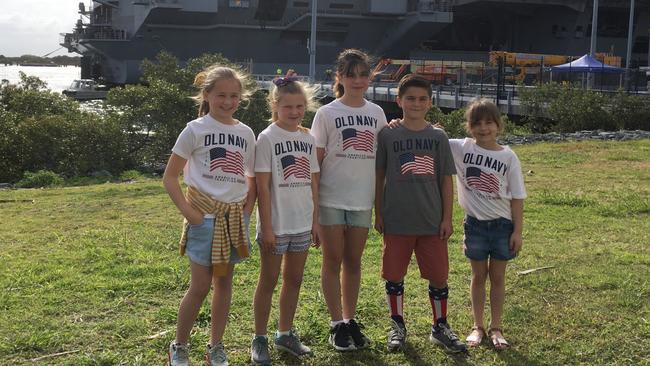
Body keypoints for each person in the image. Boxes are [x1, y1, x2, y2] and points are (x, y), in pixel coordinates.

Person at [163, 65, 257, 366]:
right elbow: (170, 177)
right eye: (221, 95)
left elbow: (250, 175)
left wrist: (246, 209)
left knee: (224, 284)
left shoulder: (245, 132)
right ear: (207, 95)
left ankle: (216, 346)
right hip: (204, 218)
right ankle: (179, 345)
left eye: (234, 96)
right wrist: (190, 214)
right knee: (200, 286)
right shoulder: (195, 129)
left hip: (233, 219)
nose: (228, 102)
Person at [375, 74, 467, 353]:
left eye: (422, 99)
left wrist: (447, 217)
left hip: (431, 220)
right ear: (399, 100)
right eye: (410, 98)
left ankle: (440, 326)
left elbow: (445, 181)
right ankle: (397, 324)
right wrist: (379, 213)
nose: (416, 104)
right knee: (394, 274)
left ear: (430, 102)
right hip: (397, 219)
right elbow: (379, 176)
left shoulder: (438, 136)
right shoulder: (388, 134)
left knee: (439, 275)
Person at [311, 48, 388, 351]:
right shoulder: (326, 113)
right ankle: (335, 324)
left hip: (362, 201)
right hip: (331, 199)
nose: (357, 80)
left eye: (363, 74)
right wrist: (314, 211)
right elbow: (314, 166)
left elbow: (383, 159)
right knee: (332, 260)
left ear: (370, 77)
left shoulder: (377, 113)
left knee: (353, 262)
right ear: (339, 77)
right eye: (351, 74)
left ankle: (349, 318)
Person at [250, 74, 321, 364]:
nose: (295, 112)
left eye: (300, 107)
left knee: (294, 279)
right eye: (288, 107)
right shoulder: (266, 138)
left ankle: (285, 333)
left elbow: (314, 183)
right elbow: (262, 187)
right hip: (276, 226)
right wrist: (267, 227)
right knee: (268, 280)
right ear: (275, 106)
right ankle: (259, 338)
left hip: (302, 222)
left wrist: (316, 221)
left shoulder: (308, 137)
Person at [448, 98, 526, 351]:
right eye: (477, 123)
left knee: (498, 277)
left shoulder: (508, 157)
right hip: (475, 226)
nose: (484, 128)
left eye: (489, 123)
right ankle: (478, 325)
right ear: (469, 127)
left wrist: (517, 231)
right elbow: (431, 135)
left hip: (502, 226)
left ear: (498, 125)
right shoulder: (461, 148)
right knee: (478, 276)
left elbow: (517, 197)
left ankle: (496, 327)